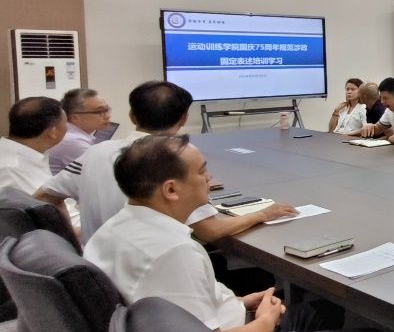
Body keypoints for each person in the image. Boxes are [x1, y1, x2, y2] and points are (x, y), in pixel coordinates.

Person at [86, 134, 386, 332]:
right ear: (171, 190)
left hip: (221, 323)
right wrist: (265, 322)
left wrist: (240, 302)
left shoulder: (114, 229)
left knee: (326, 310)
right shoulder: (174, 252)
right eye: (202, 171)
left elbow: (182, 310)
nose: (209, 178)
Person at [39, 80, 297, 244]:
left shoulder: (95, 152)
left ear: (132, 115)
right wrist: (263, 214)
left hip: (99, 267)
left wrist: (72, 238)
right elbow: (210, 231)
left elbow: (44, 197)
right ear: (183, 119)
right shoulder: (174, 160)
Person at [1, 96, 66, 197]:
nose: (67, 129)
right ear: (53, 132)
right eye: (66, 124)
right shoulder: (10, 170)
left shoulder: (32, 154)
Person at [46, 88, 112, 173]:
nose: (107, 116)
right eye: (99, 111)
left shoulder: (72, 134)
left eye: (107, 110)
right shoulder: (73, 141)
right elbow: (102, 173)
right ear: (75, 117)